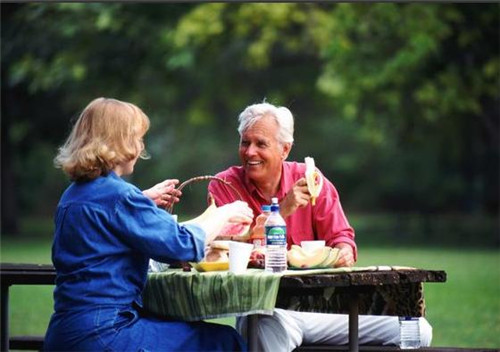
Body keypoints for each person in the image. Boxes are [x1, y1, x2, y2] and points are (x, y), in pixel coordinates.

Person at [207, 102, 432, 351]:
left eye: (260, 144)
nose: (250, 152)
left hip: (323, 312)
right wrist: (283, 209)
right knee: (265, 331)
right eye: (244, 142)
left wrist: (344, 251)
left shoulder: (312, 182)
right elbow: (223, 249)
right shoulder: (224, 185)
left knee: (418, 330)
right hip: (266, 311)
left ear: (285, 149)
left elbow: (342, 238)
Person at [43, 97, 253, 351]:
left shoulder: (73, 195)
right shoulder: (120, 196)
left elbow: (103, 225)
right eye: (138, 138)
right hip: (105, 334)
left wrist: (141, 201)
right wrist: (223, 214)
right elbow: (183, 244)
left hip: (64, 333)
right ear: (120, 141)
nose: (141, 147)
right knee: (224, 341)